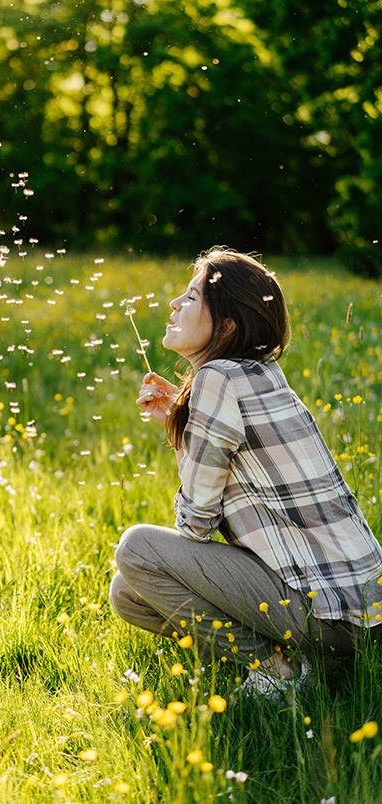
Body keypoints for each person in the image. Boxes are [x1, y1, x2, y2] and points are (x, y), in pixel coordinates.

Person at [110, 247, 382, 696]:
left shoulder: (217, 377)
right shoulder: (256, 373)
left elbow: (197, 524)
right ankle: (304, 661)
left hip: (328, 612)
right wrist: (182, 426)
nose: (174, 303)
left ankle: (282, 673)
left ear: (227, 326)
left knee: (137, 549)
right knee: (128, 593)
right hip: (360, 609)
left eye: (191, 297)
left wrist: (188, 431)